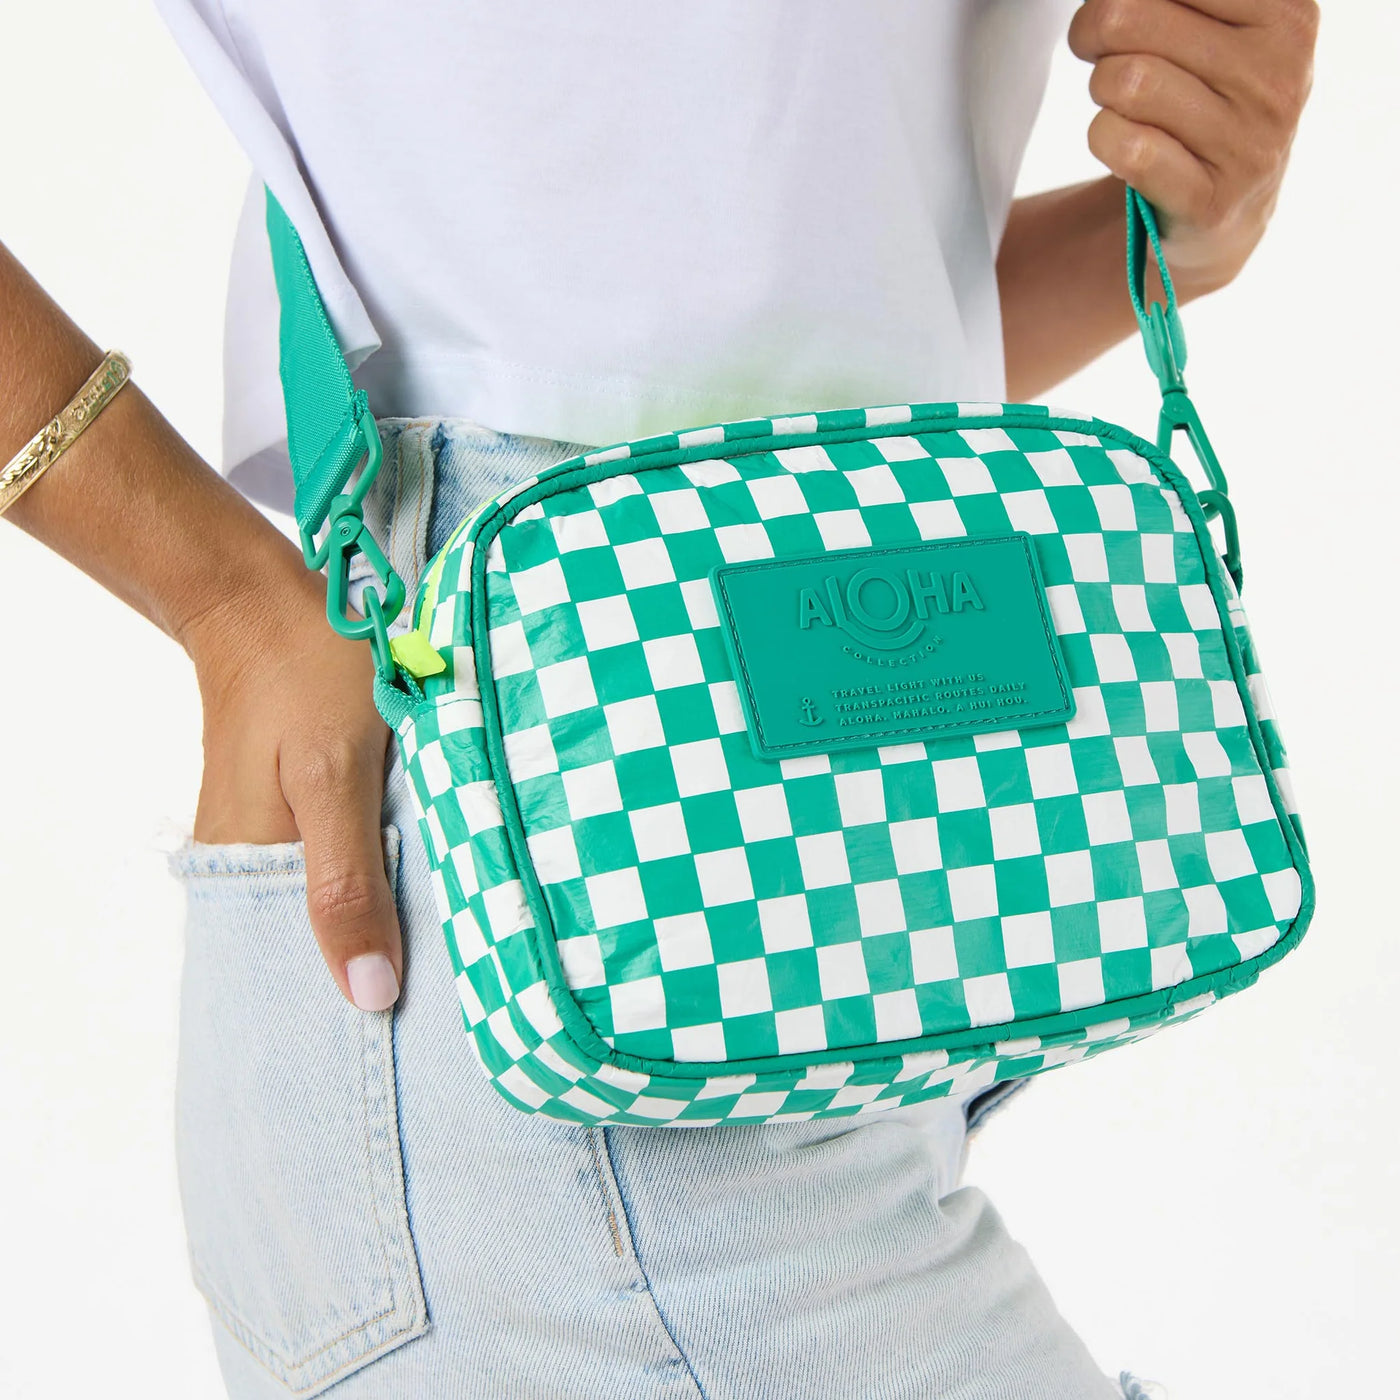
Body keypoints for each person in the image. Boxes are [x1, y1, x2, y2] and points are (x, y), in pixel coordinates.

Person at [1, 2, 1316, 1396]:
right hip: (539, 881)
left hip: (849, 865)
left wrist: (1165, 232)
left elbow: (815, 310)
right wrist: (222, 600)